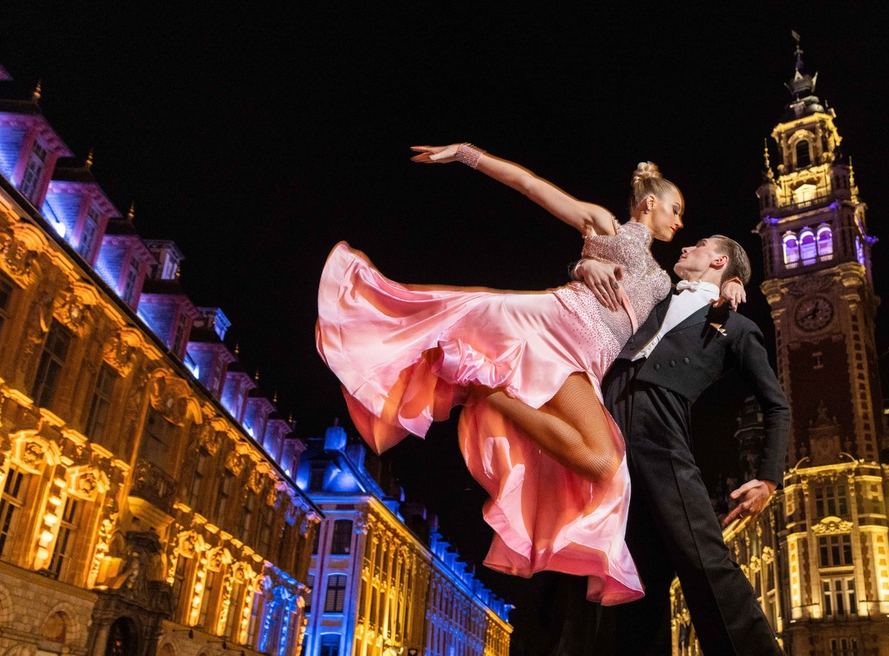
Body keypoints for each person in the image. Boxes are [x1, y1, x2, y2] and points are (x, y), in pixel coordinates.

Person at [315, 143, 742, 606]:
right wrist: (466, 154)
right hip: (554, 327)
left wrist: (732, 281)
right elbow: (530, 185)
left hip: (585, 362)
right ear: (649, 203)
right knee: (603, 462)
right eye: (675, 210)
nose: (680, 222)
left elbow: (690, 308)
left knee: (607, 469)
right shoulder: (605, 225)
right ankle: (479, 384)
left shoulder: (663, 279)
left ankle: (485, 389)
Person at [518, 237, 869, 656]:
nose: (685, 244)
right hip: (603, 434)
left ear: (722, 262)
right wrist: (585, 261)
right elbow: (595, 274)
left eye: (700, 244)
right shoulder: (653, 292)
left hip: (663, 440)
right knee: (579, 578)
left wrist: (770, 478)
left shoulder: (737, 326)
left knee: (714, 575)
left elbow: (778, 403)